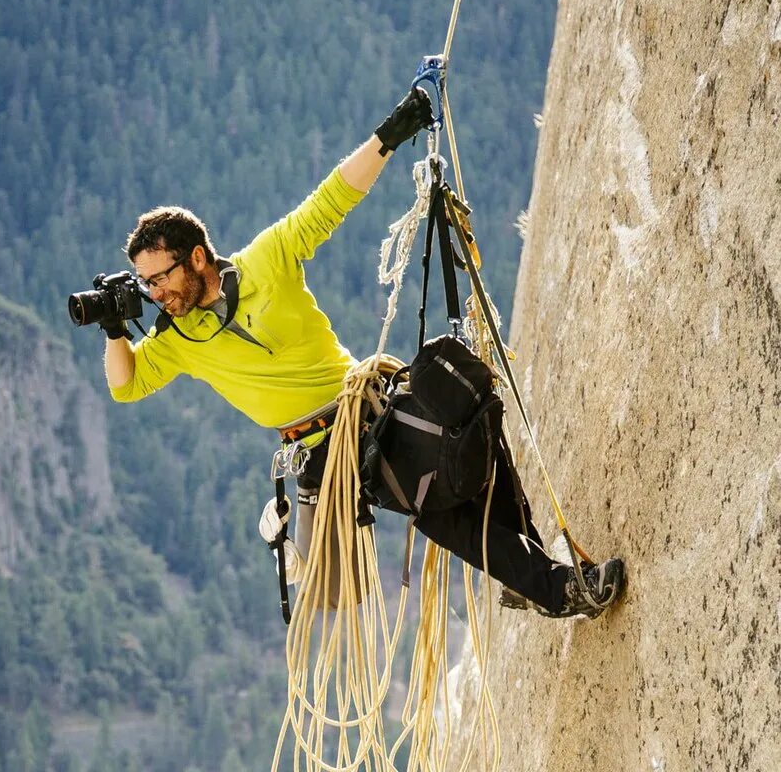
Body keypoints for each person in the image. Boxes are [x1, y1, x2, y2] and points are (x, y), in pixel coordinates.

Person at [100, 88, 624, 619]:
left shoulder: (265, 262)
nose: (156, 293)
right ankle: (556, 589)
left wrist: (389, 136)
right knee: (434, 499)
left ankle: (532, 574)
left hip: (365, 405)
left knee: (471, 410)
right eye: (146, 285)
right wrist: (114, 328)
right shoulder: (177, 340)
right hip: (328, 450)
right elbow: (126, 385)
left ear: (196, 258)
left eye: (160, 277)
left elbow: (330, 201)